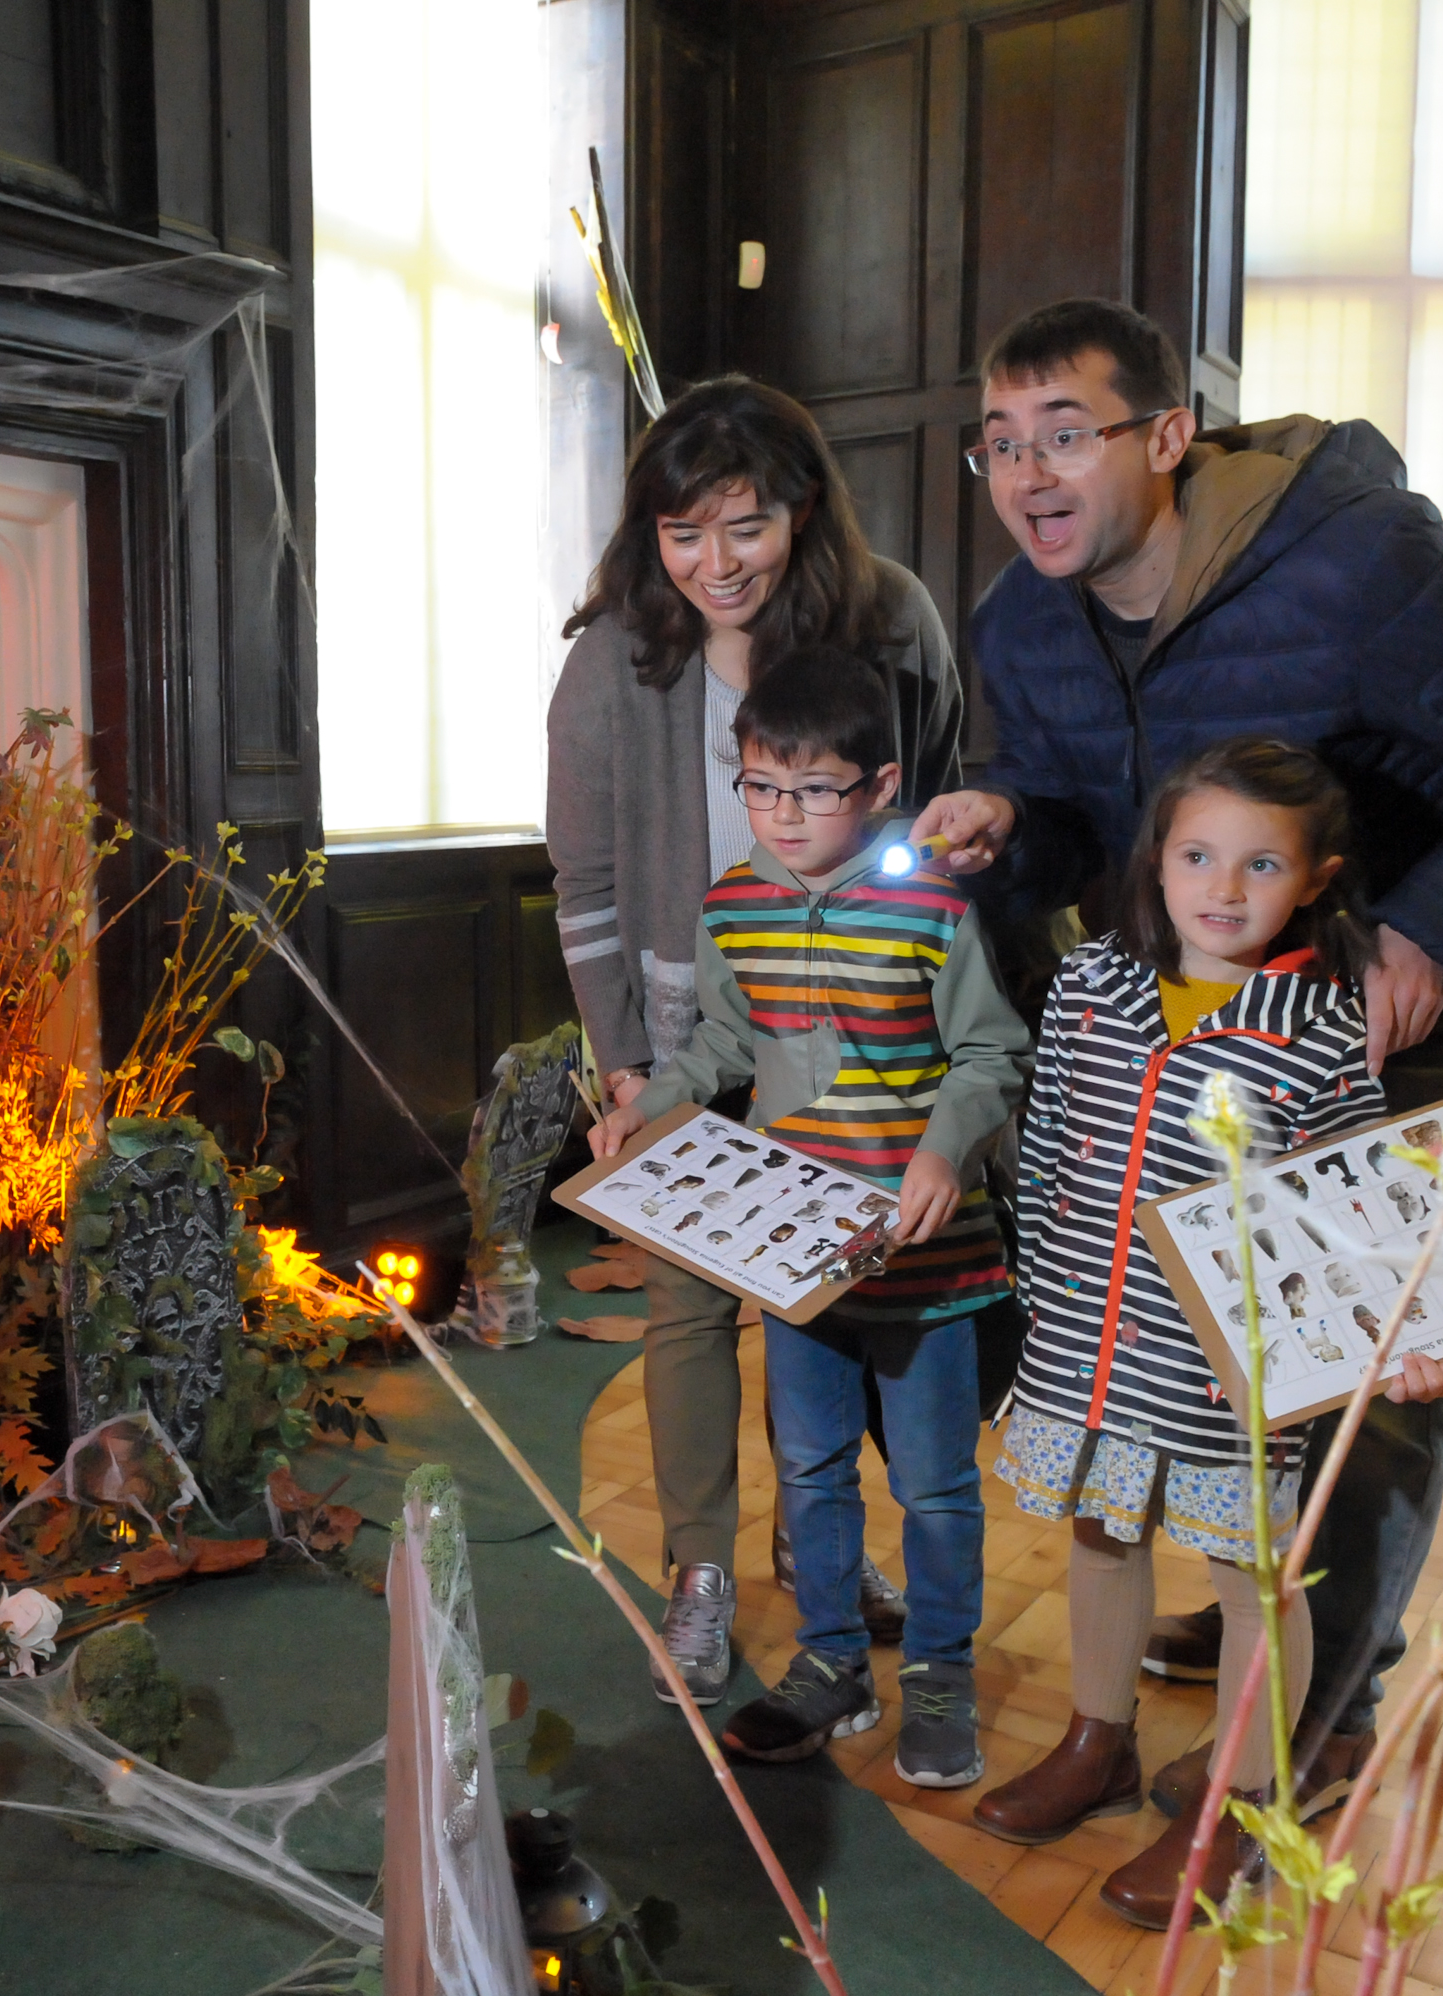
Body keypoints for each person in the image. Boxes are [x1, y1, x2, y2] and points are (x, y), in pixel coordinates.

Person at [907, 297, 1443, 1823]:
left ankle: (1328, 1713)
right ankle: (1263, 1613)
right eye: (999, 442)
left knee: (1353, 1356)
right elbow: (1076, 819)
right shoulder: (1019, 618)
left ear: (1168, 438)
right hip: (1192, 1012)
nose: (1027, 473)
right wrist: (1005, 832)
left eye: (1067, 434)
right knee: (1193, 1344)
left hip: (1409, 991)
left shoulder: (1360, 559)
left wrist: (1427, 933)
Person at [969, 739, 1443, 1923]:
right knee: (1102, 1529)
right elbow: (1044, 1153)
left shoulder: (1317, 1028)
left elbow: (1364, 1208)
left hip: (1229, 1370)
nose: (1223, 886)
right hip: (1085, 1346)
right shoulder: (1093, 983)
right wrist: (1043, 1292)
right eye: (1197, 855)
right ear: (1157, 861)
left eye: (1259, 864)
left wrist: (1398, 1332)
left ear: (1317, 879)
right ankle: (1100, 1744)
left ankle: (1242, 1811)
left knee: (1253, 1574)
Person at [549, 376, 965, 1705]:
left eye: (745, 525)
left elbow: (942, 804)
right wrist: (622, 1058)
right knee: (687, 1305)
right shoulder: (617, 654)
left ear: (801, 511)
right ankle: (698, 1569)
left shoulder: (889, 617)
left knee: (829, 1296)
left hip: (848, 1029)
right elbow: (588, 882)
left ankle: (817, 1545)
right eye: (684, 532)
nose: (714, 563)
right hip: (684, 1028)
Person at [587, 646, 1029, 1781]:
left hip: (926, 1256)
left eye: (817, 790)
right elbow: (728, 1044)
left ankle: (939, 1674)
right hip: (797, 1251)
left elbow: (992, 1052)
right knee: (812, 1469)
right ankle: (831, 1661)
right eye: (762, 787)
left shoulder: (930, 905)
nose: (785, 815)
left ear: (881, 785)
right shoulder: (732, 904)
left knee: (933, 1483)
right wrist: (652, 1104)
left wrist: (943, 1152)